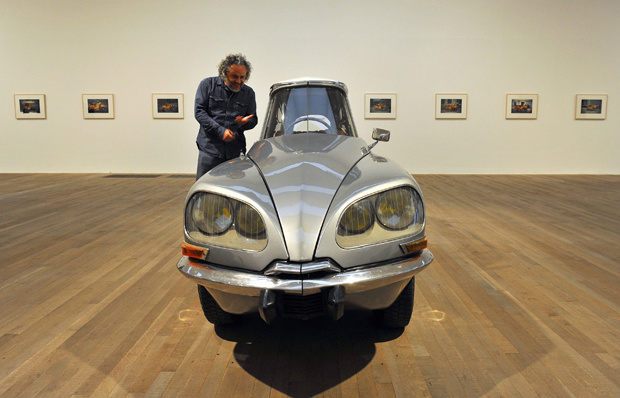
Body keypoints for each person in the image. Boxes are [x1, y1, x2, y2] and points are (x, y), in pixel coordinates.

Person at [194, 53, 258, 179]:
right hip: (209, 150)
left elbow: (253, 119)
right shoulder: (207, 85)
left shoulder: (249, 93)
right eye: (234, 76)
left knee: (232, 192)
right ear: (224, 73)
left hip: (234, 151)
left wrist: (245, 123)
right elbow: (199, 112)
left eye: (242, 77)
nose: (239, 81)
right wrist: (220, 131)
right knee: (206, 189)